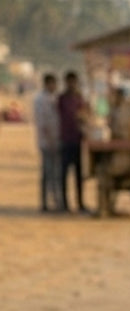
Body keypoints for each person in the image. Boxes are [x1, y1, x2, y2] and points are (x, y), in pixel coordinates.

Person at [57, 70, 89, 213]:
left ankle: (80, 203)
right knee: (64, 174)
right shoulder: (62, 99)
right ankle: (64, 203)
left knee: (79, 174)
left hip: (78, 139)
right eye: (69, 82)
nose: (72, 84)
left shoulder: (79, 98)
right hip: (65, 139)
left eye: (73, 82)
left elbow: (85, 115)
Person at [32, 73, 61, 212]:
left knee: (55, 173)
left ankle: (55, 200)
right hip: (47, 142)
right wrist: (50, 141)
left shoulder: (54, 97)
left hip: (56, 140)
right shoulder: (40, 99)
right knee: (47, 172)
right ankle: (45, 202)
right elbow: (42, 123)